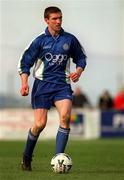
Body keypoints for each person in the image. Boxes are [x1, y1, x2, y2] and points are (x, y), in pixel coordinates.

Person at [18, 6, 87, 171]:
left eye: (60, 18)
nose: (58, 21)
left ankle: (59, 161)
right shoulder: (39, 41)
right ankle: (27, 157)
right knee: (40, 124)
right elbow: (24, 62)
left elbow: (81, 57)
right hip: (42, 85)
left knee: (65, 117)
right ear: (46, 20)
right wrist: (24, 82)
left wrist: (78, 71)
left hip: (62, 85)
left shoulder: (69, 40)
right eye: (54, 19)